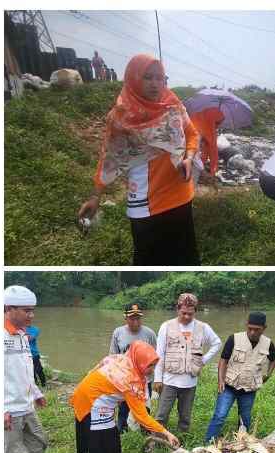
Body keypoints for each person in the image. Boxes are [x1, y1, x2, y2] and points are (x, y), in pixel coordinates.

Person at [78, 54, 202, 265]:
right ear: (133, 78)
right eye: (148, 77)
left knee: (185, 256)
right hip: (145, 203)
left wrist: (189, 157)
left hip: (180, 193)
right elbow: (108, 157)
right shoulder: (120, 117)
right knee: (148, 258)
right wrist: (95, 196)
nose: (155, 84)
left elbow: (192, 134)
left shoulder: (173, 106)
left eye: (160, 78)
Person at [70, 341, 179, 453]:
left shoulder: (125, 360)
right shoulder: (129, 380)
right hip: (92, 401)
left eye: (154, 365)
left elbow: (99, 366)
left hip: (88, 393)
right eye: (149, 365)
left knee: (107, 434)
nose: (153, 369)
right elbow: (142, 417)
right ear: (139, 361)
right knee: (101, 434)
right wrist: (166, 433)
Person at [205, 312, 275, 443]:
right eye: (250, 328)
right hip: (229, 386)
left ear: (264, 328)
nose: (252, 332)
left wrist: (268, 374)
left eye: (257, 329)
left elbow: (274, 359)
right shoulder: (234, 338)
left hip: (249, 389)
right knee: (220, 415)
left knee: (244, 418)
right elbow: (223, 360)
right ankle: (208, 443)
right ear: (246, 325)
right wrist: (220, 380)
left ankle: (240, 443)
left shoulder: (268, 343)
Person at [153, 293, 221, 432]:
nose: (187, 317)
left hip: (190, 382)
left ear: (195, 311)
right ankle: (156, 439)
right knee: (161, 415)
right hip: (169, 381)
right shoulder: (166, 326)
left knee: (185, 417)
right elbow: (159, 354)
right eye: (183, 313)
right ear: (178, 309)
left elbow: (217, 343)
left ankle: (181, 439)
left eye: (190, 313)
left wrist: (203, 360)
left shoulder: (203, 327)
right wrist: (158, 379)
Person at [4, 285, 47, 453]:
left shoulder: (22, 334)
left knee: (38, 443)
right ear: (9, 309)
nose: (31, 315)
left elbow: (26, 369)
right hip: (9, 410)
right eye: (26, 310)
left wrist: (37, 393)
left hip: (27, 405)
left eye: (33, 310)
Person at [109, 303, 157, 433]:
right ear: (125, 317)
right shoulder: (118, 333)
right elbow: (113, 358)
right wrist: (115, 382)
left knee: (144, 408)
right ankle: (122, 430)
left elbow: (155, 357)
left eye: (138, 318)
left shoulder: (149, 334)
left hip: (144, 381)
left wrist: (155, 377)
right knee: (124, 408)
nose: (136, 322)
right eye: (132, 318)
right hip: (125, 380)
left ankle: (145, 430)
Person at [190, 107, 225, 175]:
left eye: (218, 124)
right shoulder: (195, 130)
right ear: (212, 120)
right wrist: (203, 171)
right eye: (216, 123)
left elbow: (210, 148)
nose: (216, 126)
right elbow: (193, 154)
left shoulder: (197, 119)